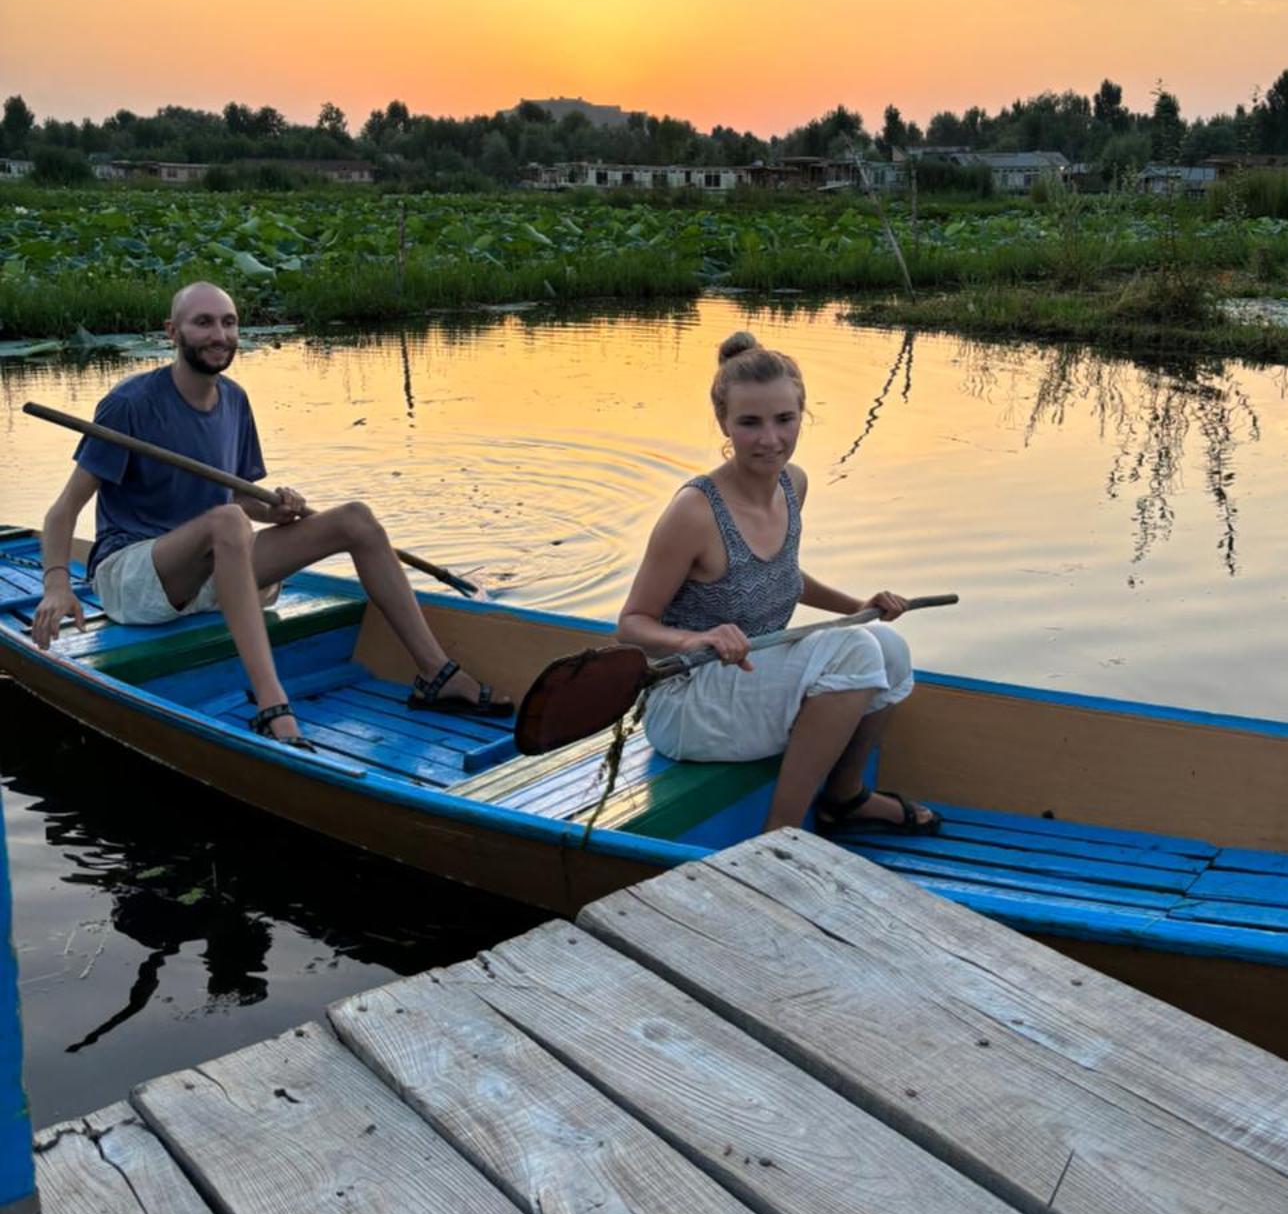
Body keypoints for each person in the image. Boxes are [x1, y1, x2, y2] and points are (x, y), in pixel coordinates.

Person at [31, 281, 511, 748]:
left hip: (218, 565)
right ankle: (271, 702)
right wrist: (56, 584)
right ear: (172, 332)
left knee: (356, 519)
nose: (219, 335)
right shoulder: (129, 405)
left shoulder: (235, 400)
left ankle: (435, 674)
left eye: (229, 322)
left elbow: (236, 502)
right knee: (227, 524)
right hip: (133, 578)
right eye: (203, 323)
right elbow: (62, 512)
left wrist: (275, 511)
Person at [617, 330, 940, 835]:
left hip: (750, 677)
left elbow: (780, 575)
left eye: (784, 420)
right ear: (724, 422)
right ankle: (779, 836)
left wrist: (859, 606)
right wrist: (697, 638)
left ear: (802, 414)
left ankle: (844, 796)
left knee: (887, 647)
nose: (770, 439)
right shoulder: (694, 511)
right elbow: (632, 624)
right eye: (750, 423)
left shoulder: (794, 484)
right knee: (855, 654)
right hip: (687, 702)